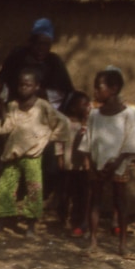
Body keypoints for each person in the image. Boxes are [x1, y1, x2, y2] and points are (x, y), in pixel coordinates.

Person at [0, 68, 65, 238]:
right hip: (13, 153)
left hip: (33, 156)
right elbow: (5, 129)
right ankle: (1, 222)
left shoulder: (43, 106)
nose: (24, 88)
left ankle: (31, 225)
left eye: (28, 85)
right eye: (21, 85)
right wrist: (2, 109)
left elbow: (60, 124)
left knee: (34, 190)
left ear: (37, 87)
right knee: (5, 188)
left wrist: (46, 140)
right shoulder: (13, 106)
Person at [86, 68, 135, 260]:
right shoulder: (95, 115)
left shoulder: (127, 114)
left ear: (114, 88)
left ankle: (122, 245)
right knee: (95, 201)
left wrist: (117, 162)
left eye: (99, 87)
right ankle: (93, 242)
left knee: (120, 203)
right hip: (98, 164)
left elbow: (131, 142)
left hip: (118, 165)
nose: (95, 92)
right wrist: (93, 164)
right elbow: (89, 141)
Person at [59, 91, 92, 238]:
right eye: (83, 104)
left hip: (82, 165)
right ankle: (63, 219)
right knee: (66, 192)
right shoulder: (65, 122)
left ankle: (80, 221)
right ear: (73, 108)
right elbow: (58, 141)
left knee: (83, 193)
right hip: (68, 163)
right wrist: (59, 157)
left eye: (88, 104)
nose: (87, 107)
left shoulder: (89, 123)